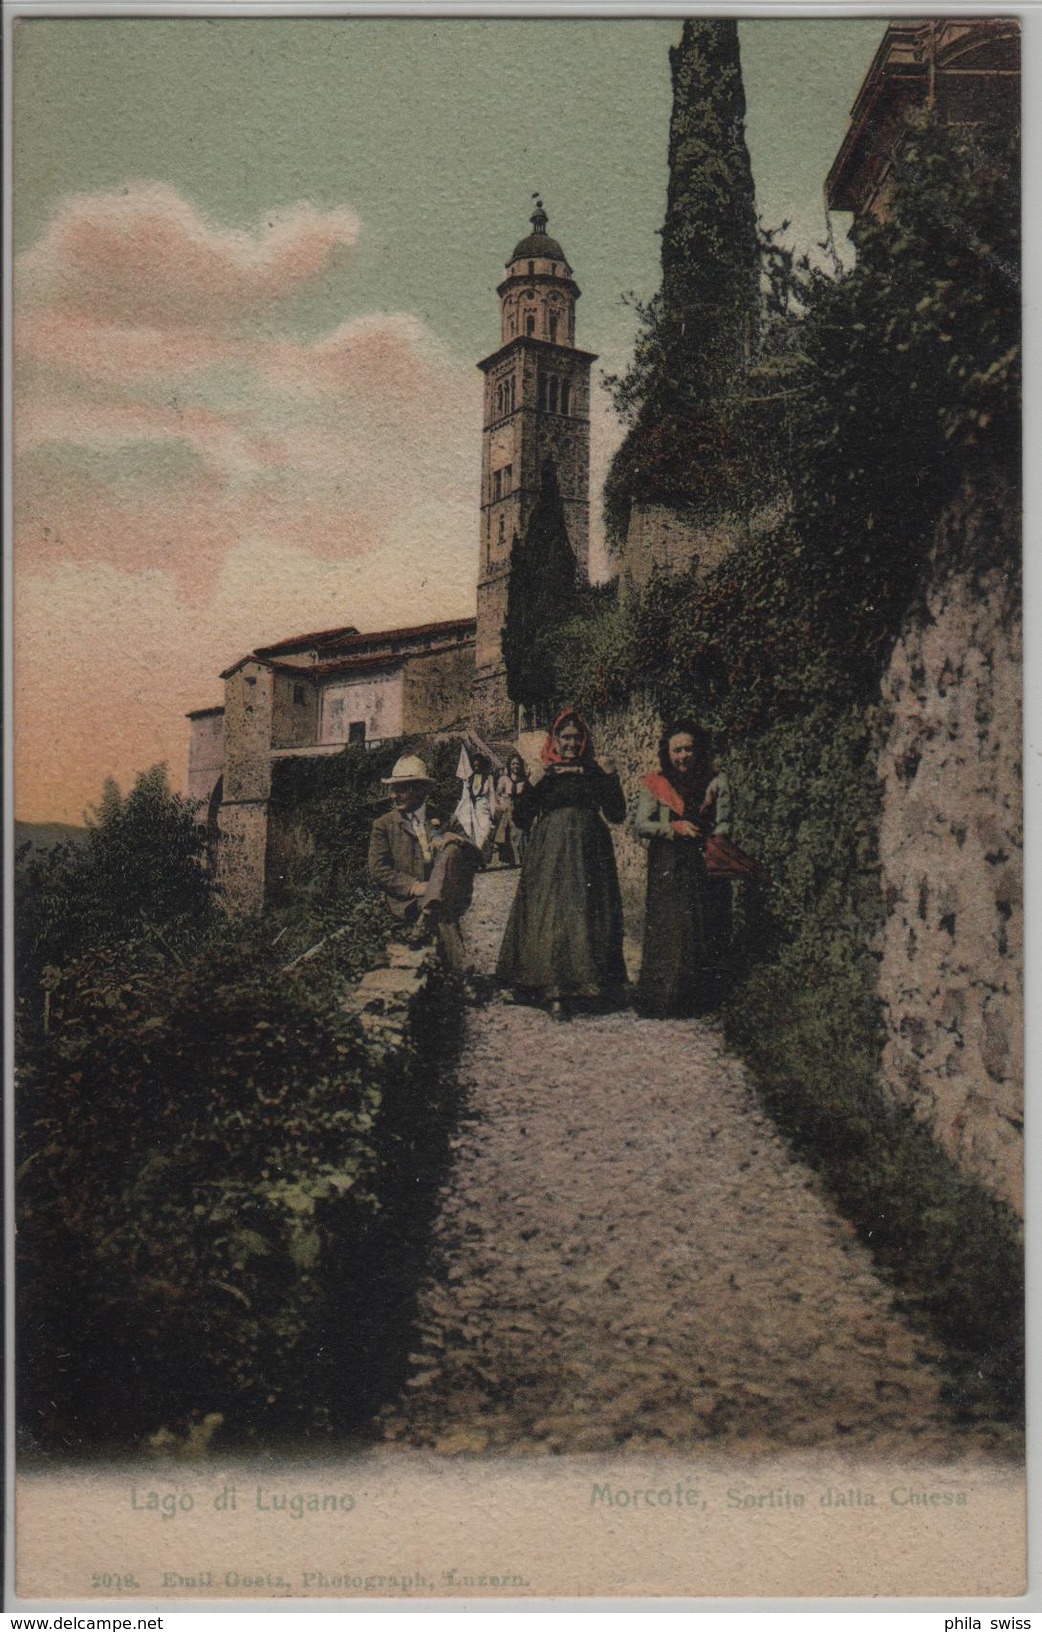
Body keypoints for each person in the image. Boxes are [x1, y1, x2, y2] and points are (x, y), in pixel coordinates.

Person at [496, 709, 627, 1019]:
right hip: (550, 852)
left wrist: (612, 778)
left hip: (590, 851)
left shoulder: (595, 771)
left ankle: (592, 983)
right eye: (565, 737)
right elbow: (521, 818)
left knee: (587, 910)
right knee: (551, 913)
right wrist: (531, 783)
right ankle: (551, 987)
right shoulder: (545, 773)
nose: (571, 743)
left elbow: (617, 813)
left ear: (584, 741)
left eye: (577, 737)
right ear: (554, 739)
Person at [633, 720, 732, 1017]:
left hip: (703, 858)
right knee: (670, 925)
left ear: (699, 750)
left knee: (703, 923)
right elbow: (641, 825)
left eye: (689, 749)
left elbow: (725, 821)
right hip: (668, 860)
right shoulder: (656, 783)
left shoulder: (716, 781)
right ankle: (667, 996)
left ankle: (702, 998)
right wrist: (672, 827)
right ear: (668, 752)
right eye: (677, 750)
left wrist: (716, 840)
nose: (683, 756)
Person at [367, 754, 482, 974]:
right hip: (407, 900)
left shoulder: (444, 817)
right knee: (442, 911)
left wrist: (455, 838)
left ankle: (430, 906)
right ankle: (463, 973)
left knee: (452, 848)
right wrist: (414, 886)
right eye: (393, 789)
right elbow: (378, 869)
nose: (393, 796)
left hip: (443, 893)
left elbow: (478, 859)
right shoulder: (384, 825)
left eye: (401, 789)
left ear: (420, 789)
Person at [453, 749, 497, 861]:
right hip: (473, 807)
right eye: (474, 766)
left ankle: (482, 856)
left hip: (484, 807)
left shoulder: (488, 778)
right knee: (474, 834)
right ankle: (477, 860)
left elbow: (491, 795)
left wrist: (493, 812)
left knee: (485, 830)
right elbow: (465, 796)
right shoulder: (470, 779)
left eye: (478, 766)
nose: (476, 768)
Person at [492, 750, 529, 867]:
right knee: (508, 834)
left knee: (519, 834)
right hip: (508, 808)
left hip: (520, 808)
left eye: (517, 764)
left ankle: (520, 859)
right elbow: (498, 794)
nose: (515, 766)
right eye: (513, 764)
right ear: (509, 765)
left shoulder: (524, 779)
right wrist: (502, 804)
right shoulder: (504, 779)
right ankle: (512, 860)